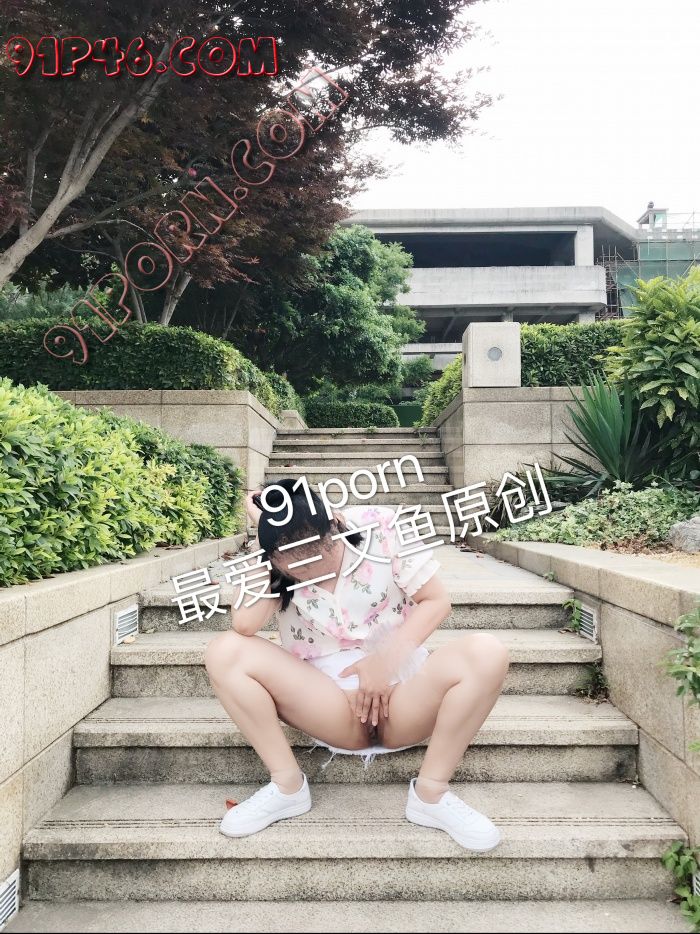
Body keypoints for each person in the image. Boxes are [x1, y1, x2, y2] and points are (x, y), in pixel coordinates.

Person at [204, 479, 509, 851]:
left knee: (487, 652)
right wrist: (264, 537)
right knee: (225, 651)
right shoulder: (273, 554)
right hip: (326, 703)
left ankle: (431, 794)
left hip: (404, 695)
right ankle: (287, 786)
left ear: (334, 524)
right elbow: (245, 624)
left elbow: (436, 601)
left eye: (320, 559)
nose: (312, 574)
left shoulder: (381, 526)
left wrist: (382, 665)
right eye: (298, 570)